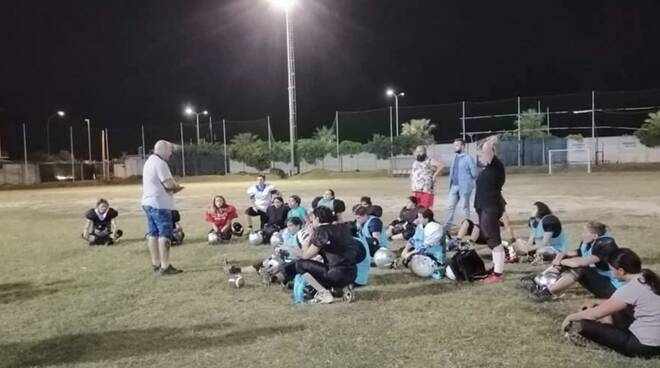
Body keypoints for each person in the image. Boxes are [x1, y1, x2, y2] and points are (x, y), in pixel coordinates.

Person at [561, 248, 660, 358]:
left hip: (642, 345)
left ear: (621, 271)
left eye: (611, 270)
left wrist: (570, 317)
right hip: (655, 342)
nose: (611, 273)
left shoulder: (630, 289)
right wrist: (596, 303)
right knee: (612, 311)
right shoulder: (647, 278)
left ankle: (595, 340)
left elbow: (596, 314)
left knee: (581, 324)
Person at [526, 221, 623, 302]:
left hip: (615, 289)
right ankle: (540, 280)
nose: (582, 234)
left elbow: (580, 263)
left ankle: (547, 293)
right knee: (567, 260)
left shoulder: (606, 244)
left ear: (595, 236)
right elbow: (573, 253)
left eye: (585, 232)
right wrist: (561, 256)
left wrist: (561, 262)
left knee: (580, 268)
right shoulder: (589, 243)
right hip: (603, 282)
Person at [295, 206, 365, 304]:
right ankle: (345, 289)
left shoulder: (322, 231)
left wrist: (306, 239)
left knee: (300, 264)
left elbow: (305, 255)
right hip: (352, 273)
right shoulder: (343, 227)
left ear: (317, 219)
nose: (311, 221)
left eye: (313, 218)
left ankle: (324, 293)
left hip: (336, 274)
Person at [142, 140, 183, 275]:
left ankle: (156, 263)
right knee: (165, 234)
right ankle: (165, 266)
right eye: (170, 150)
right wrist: (177, 187)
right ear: (163, 149)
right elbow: (169, 184)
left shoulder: (149, 162)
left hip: (148, 202)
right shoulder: (160, 163)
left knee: (153, 234)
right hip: (160, 204)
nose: (171, 153)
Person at [473, 136, 507, 284]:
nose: (479, 158)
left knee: (494, 240)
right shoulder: (489, 167)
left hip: (490, 208)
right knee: (490, 239)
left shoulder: (496, 165)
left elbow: (487, 147)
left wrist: (491, 138)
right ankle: (495, 269)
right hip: (484, 207)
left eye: (479, 155)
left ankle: (497, 275)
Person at [444, 138, 478, 231]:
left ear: (463, 146)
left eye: (457, 145)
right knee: (450, 206)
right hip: (454, 186)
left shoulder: (468, 158)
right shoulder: (454, 157)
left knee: (464, 207)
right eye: (454, 145)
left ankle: (466, 227)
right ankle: (447, 227)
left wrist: (468, 182)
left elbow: (474, 173)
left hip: (465, 187)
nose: (454, 147)